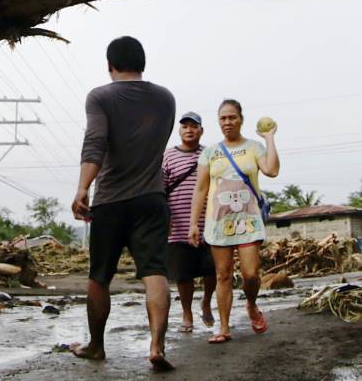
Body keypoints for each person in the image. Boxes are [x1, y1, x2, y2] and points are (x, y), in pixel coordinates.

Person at [70, 36, 177, 372]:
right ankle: (157, 345)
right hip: (152, 198)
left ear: (109, 65)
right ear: (142, 63)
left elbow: (96, 142)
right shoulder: (166, 98)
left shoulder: (100, 96)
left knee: (99, 276)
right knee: (155, 272)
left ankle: (96, 346)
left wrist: (82, 188)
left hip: (112, 200)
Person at [189, 99, 280, 344]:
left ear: (241, 119)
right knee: (223, 275)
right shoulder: (210, 152)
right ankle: (224, 327)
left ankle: (251, 303)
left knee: (251, 275)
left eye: (232, 117)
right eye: (223, 118)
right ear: (218, 122)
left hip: (249, 221)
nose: (227, 122)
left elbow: (272, 170)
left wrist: (269, 138)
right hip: (218, 223)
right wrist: (193, 223)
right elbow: (200, 190)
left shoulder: (254, 147)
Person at [163, 111, 216, 332]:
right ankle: (187, 314)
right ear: (179, 130)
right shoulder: (167, 155)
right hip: (177, 225)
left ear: (201, 130)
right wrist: (163, 217)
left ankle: (206, 301)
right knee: (183, 275)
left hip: (209, 223)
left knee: (212, 269)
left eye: (194, 126)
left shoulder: (211, 154)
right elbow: (160, 187)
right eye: (185, 126)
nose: (189, 130)